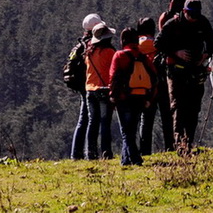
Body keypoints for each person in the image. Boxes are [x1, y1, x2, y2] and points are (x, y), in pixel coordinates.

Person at [155, 0, 213, 151]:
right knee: (178, 106)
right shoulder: (173, 24)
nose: (193, 17)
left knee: (194, 108)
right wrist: (176, 53)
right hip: (176, 70)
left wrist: (206, 54)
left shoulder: (202, 22)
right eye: (190, 14)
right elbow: (158, 44)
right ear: (184, 11)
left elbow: (212, 42)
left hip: (196, 70)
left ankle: (188, 141)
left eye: (196, 14)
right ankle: (179, 143)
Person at [153, 0, 196, 152]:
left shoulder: (167, 17)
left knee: (171, 107)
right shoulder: (172, 21)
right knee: (176, 106)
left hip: (170, 67)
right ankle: (177, 142)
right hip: (173, 67)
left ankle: (173, 143)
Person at [110, 28, 157, 166]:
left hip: (124, 98)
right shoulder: (143, 57)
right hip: (140, 96)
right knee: (132, 129)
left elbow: (113, 78)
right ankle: (125, 161)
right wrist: (149, 98)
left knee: (126, 131)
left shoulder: (119, 55)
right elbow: (154, 78)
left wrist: (113, 96)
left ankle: (136, 159)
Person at [66, 13, 103, 160]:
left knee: (83, 120)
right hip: (90, 85)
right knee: (90, 119)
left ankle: (76, 153)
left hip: (82, 85)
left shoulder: (80, 45)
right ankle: (87, 153)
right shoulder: (93, 44)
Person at [84, 22, 116, 160]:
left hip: (90, 89)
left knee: (93, 122)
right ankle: (106, 151)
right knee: (105, 122)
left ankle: (90, 152)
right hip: (104, 89)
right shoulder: (109, 52)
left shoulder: (89, 52)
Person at [135, 17, 160, 155]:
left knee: (134, 121)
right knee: (147, 120)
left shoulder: (135, 46)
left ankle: (132, 149)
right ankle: (146, 150)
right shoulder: (156, 46)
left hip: (135, 87)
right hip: (153, 87)